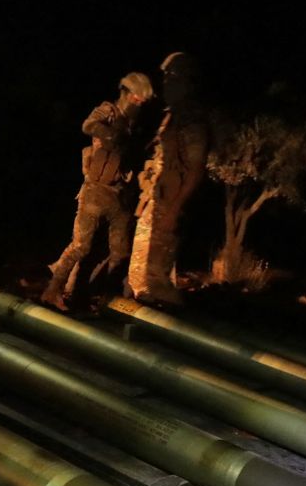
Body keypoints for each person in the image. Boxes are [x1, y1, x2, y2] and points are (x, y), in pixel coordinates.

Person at [40, 72, 154, 308]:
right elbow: (88, 125)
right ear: (125, 94)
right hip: (96, 191)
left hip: (121, 196)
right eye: (136, 99)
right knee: (82, 246)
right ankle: (53, 290)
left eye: (142, 102)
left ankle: (102, 298)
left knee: (120, 252)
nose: (138, 105)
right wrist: (111, 135)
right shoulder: (108, 112)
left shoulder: (137, 125)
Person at [125, 51, 210, 304]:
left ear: (187, 81)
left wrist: (175, 210)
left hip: (168, 205)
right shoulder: (172, 117)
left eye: (172, 76)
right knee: (139, 278)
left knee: (156, 283)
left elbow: (195, 170)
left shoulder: (192, 121)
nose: (166, 82)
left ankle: (169, 331)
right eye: (165, 76)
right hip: (153, 202)